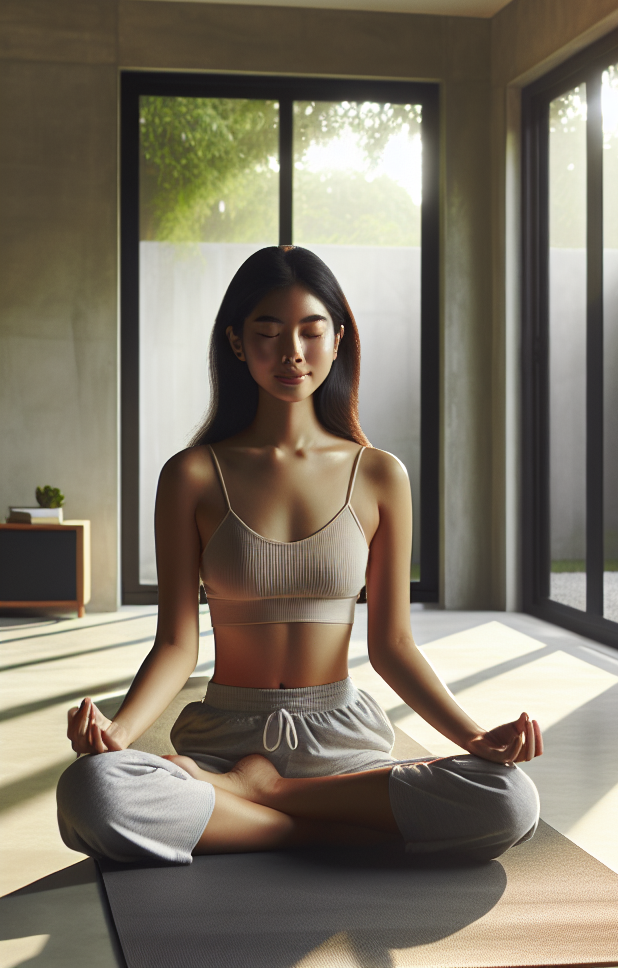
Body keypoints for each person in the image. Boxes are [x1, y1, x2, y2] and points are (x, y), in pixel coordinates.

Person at [56, 246, 541, 865]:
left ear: (338, 340)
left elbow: (394, 645)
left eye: (312, 332)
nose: (292, 353)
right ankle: (312, 829)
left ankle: (262, 801)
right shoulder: (193, 475)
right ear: (236, 343)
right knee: (93, 792)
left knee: (507, 800)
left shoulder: (379, 476)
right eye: (268, 333)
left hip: (342, 743)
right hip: (223, 744)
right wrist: (119, 734)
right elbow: (177, 643)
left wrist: (472, 736)